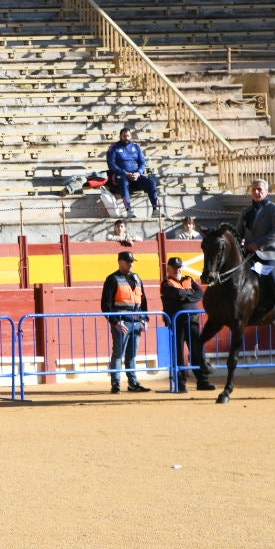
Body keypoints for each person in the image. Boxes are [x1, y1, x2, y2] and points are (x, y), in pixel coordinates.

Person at [237, 178, 275, 331]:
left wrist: (257, 244)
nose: (257, 192)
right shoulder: (246, 212)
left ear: (267, 191)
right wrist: (239, 243)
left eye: (260, 189)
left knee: (273, 278)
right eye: (253, 190)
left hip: (269, 254)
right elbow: (238, 233)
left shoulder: (274, 208)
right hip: (249, 255)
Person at [160, 257, 214, 393]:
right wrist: (188, 294)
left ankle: (202, 381)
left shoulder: (188, 279)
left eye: (180, 267)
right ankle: (180, 384)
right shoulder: (166, 283)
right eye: (175, 267)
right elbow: (177, 293)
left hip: (192, 320)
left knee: (198, 351)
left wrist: (185, 296)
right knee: (178, 353)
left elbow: (200, 293)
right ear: (169, 269)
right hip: (176, 322)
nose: (178, 269)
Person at [101, 250, 151, 393]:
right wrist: (115, 322)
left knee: (132, 354)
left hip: (136, 322)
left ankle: (133, 383)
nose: (131, 264)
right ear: (120, 261)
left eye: (132, 262)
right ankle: (116, 384)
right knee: (118, 353)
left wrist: (145, 319)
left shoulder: (137, 278)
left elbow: (143, 301)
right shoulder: (112, 279)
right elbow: (106, 305)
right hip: (121, 323)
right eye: (128, 261)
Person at [104, 127, 159, 217]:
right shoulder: (114, 148)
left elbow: (142, 163)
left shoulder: (136, 147)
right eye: (124, 136)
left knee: (151, 183)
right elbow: (111, 165)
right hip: (121, 176)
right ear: (120, 136)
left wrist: (138, 173)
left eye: (128, 136)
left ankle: (155, 209)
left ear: (131, 136)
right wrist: (125, 173)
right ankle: (129, 210)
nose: (126, 138)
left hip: (135, 175)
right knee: (123, 181)